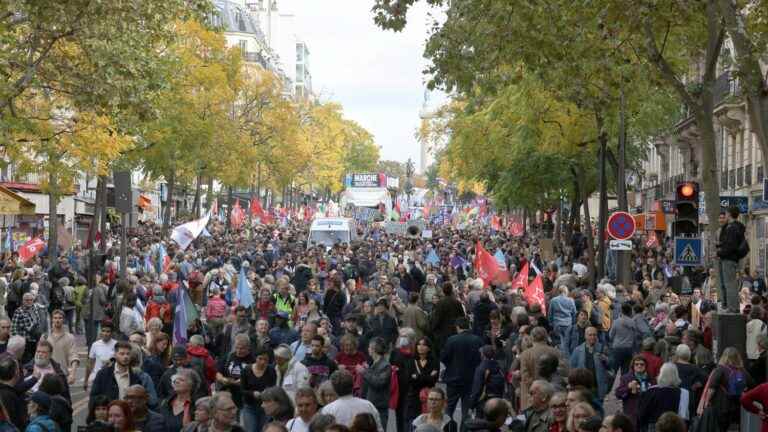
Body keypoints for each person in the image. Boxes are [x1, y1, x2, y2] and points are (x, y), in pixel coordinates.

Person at [698, 346, 753, 432]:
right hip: (737, 405)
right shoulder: (743, 371)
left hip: (721, 405)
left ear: (724, 356)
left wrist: (707, 402)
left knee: (720, 428)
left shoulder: (720, 369)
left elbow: (712, 388)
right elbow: (752, 385)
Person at [441, 317, 483, 422]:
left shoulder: (451, 340)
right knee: (466, 410)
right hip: (470, 380)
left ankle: (448, 428)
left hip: (453, 379)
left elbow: (444, 357)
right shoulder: (477, 340)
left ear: (457, 327)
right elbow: (480, 359)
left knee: (449, 408)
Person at [520, 326, 564, 410]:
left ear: (532, 337)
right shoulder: (556, 352)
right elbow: (562, 372)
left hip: (532, 399)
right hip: (553, 397)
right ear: (546, 337)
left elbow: (525, 378)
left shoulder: (525, 354)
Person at [638, 363, 690, 432]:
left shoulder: (651, 391)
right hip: (674, 428)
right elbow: (684, 416)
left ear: (661, 374)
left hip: (653, 427)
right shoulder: (683, 393)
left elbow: (642, 413)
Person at [89, 341, 142, 408]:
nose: (125, 357)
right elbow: (94, 397)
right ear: (115, 355)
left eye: (128, 354)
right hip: (109, 415)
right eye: (122, 354)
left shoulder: (135, 376)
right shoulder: (103, 374)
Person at [716, 206, 748, 313]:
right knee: (731, 284)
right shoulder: (737, 227)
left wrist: (719, 253)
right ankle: (733, 307)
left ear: (729, 214)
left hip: (728, 259)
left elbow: (730, 246)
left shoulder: (732, 228)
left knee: (730, 284)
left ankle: (732, 308)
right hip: (733, 259)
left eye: (726, 213)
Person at [240, 346, 277, 432]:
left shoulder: (271, 371)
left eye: (265, 360)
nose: (262, 362)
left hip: (266, 407)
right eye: (260, 359)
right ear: (255, 358)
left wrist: (267, 392)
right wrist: (252, 393)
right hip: (250, 406)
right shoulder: (246, 370)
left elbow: (274, 387)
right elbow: (241, 390)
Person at [405, 337, 439, 427]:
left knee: (427, 423)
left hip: (428, 397)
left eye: (424, 345)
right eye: (419, 344)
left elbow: (433, 381)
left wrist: (417, 376)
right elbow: (409, 379)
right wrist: (427, 377)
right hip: (413, 397)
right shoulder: (412, 361)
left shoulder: (434, 361)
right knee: (413, 423)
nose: (421, 347)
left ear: (429, 348)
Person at [216, 334, 256, 409]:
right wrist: (222, 379)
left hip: (244, 397)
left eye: (242, 348)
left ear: (248, 348)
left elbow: (256, 376)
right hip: (228, 394)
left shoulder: (253, 360)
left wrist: (243, 381)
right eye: (236, 348)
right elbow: (218, 372)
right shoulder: (228, 356)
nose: (238, 351)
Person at [615, 356, 654, 427]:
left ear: (646, 366)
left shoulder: (651, 378)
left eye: (642, 364)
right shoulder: (626, 378)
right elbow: (618, 394)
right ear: (633, 366)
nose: (639, 366)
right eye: (636, 364)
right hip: (631, 414)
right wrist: (628, 387)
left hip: (647, 413)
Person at [362, 337, 391, 429]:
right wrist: (367, 369)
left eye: (370, 347)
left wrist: (364, 372)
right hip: (371, 405)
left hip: (379, 407)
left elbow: (378, 382)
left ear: (375, 349)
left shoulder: (385, 365)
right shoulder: (374, 363)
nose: (368, 349)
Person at [45, 309, 78, 385]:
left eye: (60, 318)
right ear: (52, 320)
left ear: (63, 320)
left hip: (63, 375)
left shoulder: (70, 337)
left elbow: (74, 356)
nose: (57, 320)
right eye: (55, 318)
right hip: (47, 375)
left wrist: (72, 374)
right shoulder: (45, 337)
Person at [470, 345, 505, 409]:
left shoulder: (481, 368)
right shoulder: (499, 367)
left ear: (483, 355)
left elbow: (477, 388)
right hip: (498, 399)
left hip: (484, 401)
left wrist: (472, 404)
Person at [85, 320, 117, 390]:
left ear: (112, 333)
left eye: (108, 331)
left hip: (111, 380)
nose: (105, 333)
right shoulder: (95, 345)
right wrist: (86, 380)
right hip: (97, 378)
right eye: (103, 331)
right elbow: (90, 364)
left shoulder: (116, 345)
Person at [609, 303, 637, 375]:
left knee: (613, 370)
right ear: (630, 311)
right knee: (625, 371)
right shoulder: (633, 322)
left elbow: (610, 336)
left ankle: (611, 385)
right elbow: (635, 336)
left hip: (617, 348)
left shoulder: (616, 322)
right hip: (628, 348)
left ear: (621, 311)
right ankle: (623, 384)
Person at [548, 285, 577, 355]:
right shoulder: (571, 300)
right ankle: (566, 359)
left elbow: (550, 313)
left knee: (559, 342)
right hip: (568, 324)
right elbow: (574, 313)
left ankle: (560, 358)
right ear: (566, 291)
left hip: (557, 324)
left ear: (559, 291)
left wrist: (551, 323)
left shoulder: (553, 300)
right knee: (566, 343)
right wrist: (573, 323)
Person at [0, 355, 26, 430]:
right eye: (18, 369)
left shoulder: (8, 392)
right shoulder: (9, 396)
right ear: (16, 373)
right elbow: (16, 423)